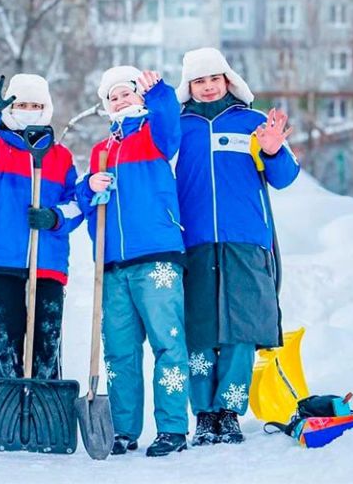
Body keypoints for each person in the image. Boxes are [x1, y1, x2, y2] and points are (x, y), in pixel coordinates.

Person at [175, 47, 300, 446]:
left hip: (245, 241)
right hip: (192, 242)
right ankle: (204, 414)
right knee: (199, 331)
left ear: (228, 80)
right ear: (188, 87)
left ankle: (229, 411)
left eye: (214, 79)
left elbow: (284, 177)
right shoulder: (176, 129)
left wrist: (274, 149)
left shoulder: (253, 122)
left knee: (240, 330)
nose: (208, 87)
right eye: (199, 81)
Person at [75, 66, 190, 457]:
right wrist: (87, 187)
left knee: (167, 343)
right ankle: (124, 429)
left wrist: (158, 94)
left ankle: (173, 428)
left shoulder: (154, 133)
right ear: (106, 107)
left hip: (156, 255)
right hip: (112, 264)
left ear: (139, 97)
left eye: (126, 93)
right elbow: (91, 211)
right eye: (113, 97)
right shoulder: (101, 151)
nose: (120, 100)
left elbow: (171, 129)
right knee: (120, 352)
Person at [0, 72, 82, 381]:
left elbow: (78, 203)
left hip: (48, 262)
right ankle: (9, 407)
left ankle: (47, 410)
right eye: (22, 104)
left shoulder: (61, 156)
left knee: (47, 345)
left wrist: (55, 217)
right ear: (10, 109)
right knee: (6, 343)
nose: (29, 110)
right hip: (3, 260)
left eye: (36, 104)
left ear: (47, 108)